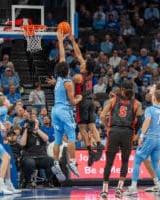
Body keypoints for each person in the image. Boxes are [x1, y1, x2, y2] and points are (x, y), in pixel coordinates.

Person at [100, 82, 142, 199]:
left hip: (114, 131)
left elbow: (102, 116)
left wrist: (107, 127)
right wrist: (136, 134)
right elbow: (140, 120)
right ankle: (119, 188)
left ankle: (104, 191)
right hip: (128, 133)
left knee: (109, 162)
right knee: (124, 161)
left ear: (122, 90)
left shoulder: (113, 100)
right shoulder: (137, 104)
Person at [50, 30, 83, 182]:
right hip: (64, 110)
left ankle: (56, 163)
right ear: (68, 70)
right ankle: (72, 162)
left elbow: (62, 55)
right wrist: (79, 98)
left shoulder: (58, 79)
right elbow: (71, 102)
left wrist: (60, 39)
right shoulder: (68, 82)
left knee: (57, 139)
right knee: (71, 137)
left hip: (55, 110)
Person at [68, 33, 104, 167]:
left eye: (83, 63)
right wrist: (73, 41)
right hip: (91, 101)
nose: (81, 62)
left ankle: (90, 150)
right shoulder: (90, 72)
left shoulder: (78, 77)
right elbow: (78, 54)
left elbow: (68, 83)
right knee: (92, 126)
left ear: (85, 67)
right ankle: (99, 145)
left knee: (82, 127)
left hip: (82, 102)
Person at [125, 90, 160, 196]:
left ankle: (133, 187)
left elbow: (147, 122)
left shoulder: (150, 109)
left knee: (137, 160)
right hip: (158, 139)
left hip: (150, 138)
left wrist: (141, 136)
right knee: (155, 163)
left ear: (154, 98)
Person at [19, 119, 54, 188]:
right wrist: (26, 129)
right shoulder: (26, 132)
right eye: (32, 123)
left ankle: (48, 181)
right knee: (30, 163)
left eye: (35, 123)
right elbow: (22, 144)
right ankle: (28, 182)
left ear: (38, 124)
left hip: (41, 156)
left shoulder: (42, 131)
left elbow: (46, 139)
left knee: (51, 161)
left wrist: (37, 129)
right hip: (29, 156)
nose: (33, 124)